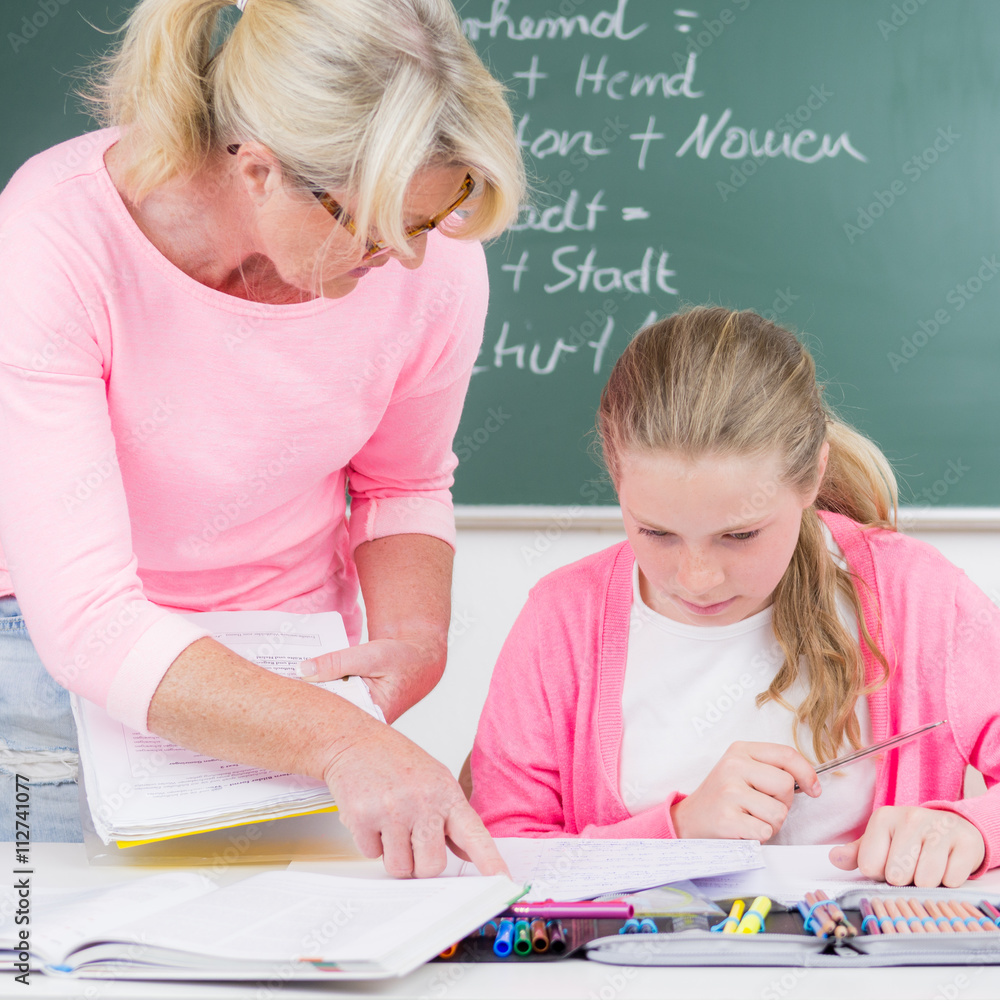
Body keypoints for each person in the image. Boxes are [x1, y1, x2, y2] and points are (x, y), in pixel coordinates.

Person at [0, 0, 525, 879]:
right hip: (48, 670)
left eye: (431, 222)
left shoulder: (430, 262)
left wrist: (414, 636)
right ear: (258, 169)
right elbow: (89, 623)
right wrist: (340, 742)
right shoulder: (52, 239)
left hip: (293, 664)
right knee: (45, 948)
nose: (405, 260)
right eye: (371, 226)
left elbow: (404, 483)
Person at [470, 306, 1000, 887]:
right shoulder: (562, 618)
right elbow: (506, 856)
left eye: (740, 535)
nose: (697, 579)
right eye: (656, 532)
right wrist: (678, 829)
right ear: (616, 479)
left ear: (813, 476)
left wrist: (971, 828)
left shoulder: (917, 596)